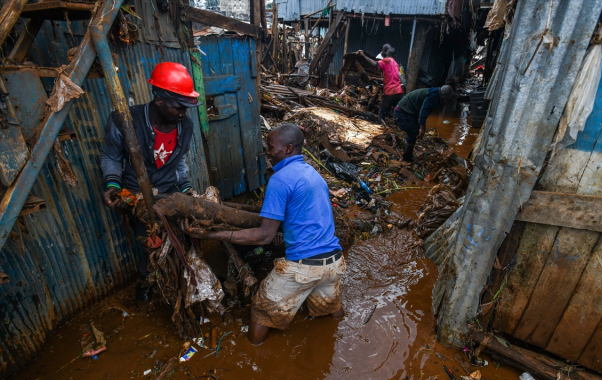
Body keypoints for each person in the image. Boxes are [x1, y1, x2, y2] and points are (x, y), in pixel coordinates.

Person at [180, 124, 346, 346]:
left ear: (287, 148)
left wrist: (216, 234)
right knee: (332, 311)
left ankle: (254, 357)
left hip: (303, 268)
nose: (267, 152)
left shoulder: (280, 179)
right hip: (334, 263)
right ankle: (340, 341)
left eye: (270, 146)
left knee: (260, 311)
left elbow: (264, 236)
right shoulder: (313, 174)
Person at [100, 62, 200, 301]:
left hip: (169, 193)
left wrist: (186, 187)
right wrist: (113, 185)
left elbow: (180, 162)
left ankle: (180, 283)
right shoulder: (125, 120)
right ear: (159, 100)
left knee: (181, 237)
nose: (183, 113)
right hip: (135, 195)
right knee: (149, 242)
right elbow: (111, 156)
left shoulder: (184, 125)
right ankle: (147, 284)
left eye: (187, 108)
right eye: (179, 107)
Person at [394, 85, 454, 162]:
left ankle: (408, 153)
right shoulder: (434, 95)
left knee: (414, 131)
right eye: (445, 99)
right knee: (414, 133)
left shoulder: (434, 92)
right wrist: (421, 127)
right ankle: (406, 158)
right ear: (443, 94)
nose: (445, 101)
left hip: (406, 112)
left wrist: (422, 126)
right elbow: (424, 110)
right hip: (402, 112)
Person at [357, 47, 404, 123]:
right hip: (398, 91)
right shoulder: (395, 64)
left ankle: (379, 128)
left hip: (390, 92)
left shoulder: (387, 60)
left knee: (382, 112)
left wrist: (363, 55)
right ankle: (398, 127)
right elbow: (387, 79)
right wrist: (375, 78)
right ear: (394, 56)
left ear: (386, 54)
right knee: (397, 112)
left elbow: (374, 64)